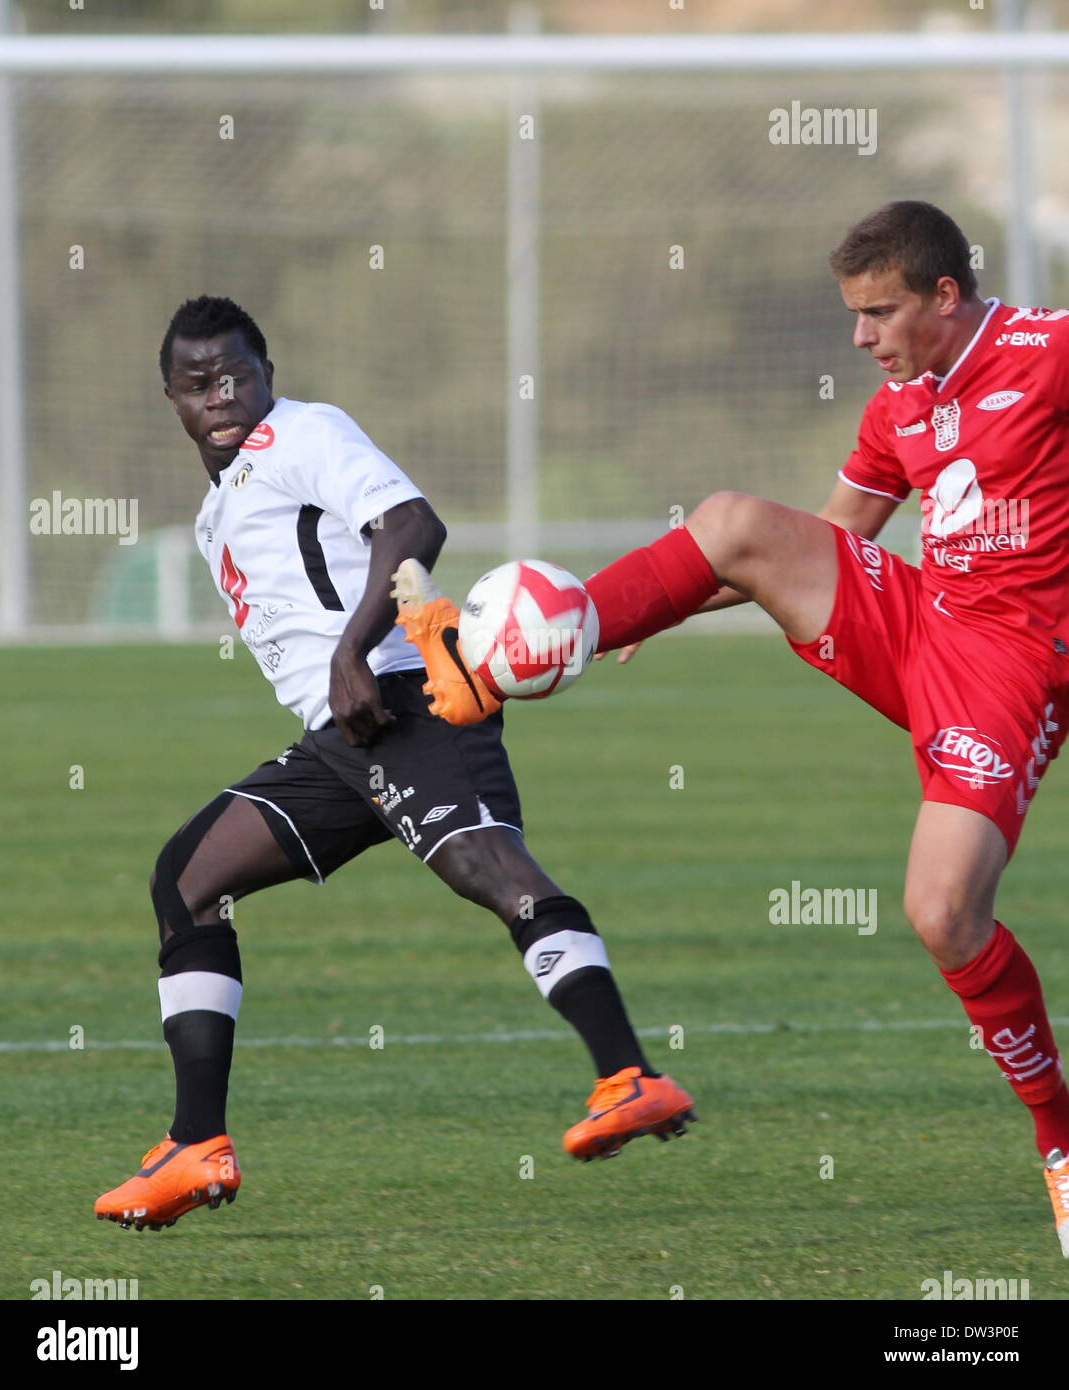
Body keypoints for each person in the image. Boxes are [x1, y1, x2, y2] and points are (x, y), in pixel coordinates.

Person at [402, 202, 1069, 1255]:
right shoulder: (897, 407)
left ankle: (1057, 1139)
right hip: (920, 626)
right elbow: (824, 541)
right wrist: (657, 611)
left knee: (941, 913)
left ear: (945, 295)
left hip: (1012, 660)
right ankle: (523, 651)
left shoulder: (1045, 351)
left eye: (877, 313)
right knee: (728, 519)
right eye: (851, 315)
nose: (860, 338)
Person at [93, 296, 693, 1233]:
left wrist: (352, 652)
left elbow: (412, 524)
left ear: (268, 375)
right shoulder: (217, 516)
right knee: (189, 877)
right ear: (169, 397)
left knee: (488, 868)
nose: (222, 396)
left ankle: (631, 1076)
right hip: (340, 741)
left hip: (402, 698)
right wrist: (338, 679)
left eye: (237, 376)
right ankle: (195, 1148)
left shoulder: (300, 434)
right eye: (198, 383)